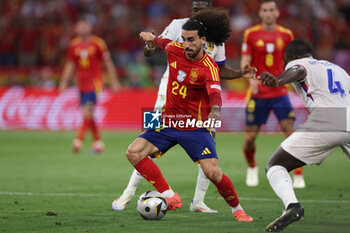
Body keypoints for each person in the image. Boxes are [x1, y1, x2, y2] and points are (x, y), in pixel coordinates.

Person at [112, 0, 255, 213]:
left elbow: (220, 69)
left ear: (210, 10)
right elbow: (152, 52)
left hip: (200, 101)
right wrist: (151, 44)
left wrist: (240, 72)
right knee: (147, 141)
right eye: (193, 8)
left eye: (200, 8)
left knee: (209, 149)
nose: (195, 12)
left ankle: (198, 201)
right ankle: (128, 193)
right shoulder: (178, 25)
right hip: (167, 93)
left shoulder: (215, 37)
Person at [258, 39, 350, 232]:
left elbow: (298, 70)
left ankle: (292, 206)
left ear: (291, 56)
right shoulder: (338, 69)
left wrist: (278, 80)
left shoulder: (298, 62)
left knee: (275, 165)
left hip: (329, 120)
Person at [240, 0, 305, 188]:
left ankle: (298, 173)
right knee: (250, 137)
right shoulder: (251, 34)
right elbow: (245, 60)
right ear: (260, 13)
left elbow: (293, 61)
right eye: (265, 10)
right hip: (257, 93)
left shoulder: (286, 34)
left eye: (271, 10)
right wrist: (250, 79)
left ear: (277, 13)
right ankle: (252, 166)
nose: (268, 13)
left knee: (290, 132)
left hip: (280, 91)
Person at [59, 19, 120, 153]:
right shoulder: (73, 45)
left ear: (90, 28)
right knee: (88, 114)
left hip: (95, 83)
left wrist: (114, 81)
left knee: (87, 110)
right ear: (76, 28)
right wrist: (64, 81)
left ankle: (78, 140)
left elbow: (108, 62)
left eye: (85, 25)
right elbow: (70, 64)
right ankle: (98, 143)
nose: (83, 27)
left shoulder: (98, 43)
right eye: (80, 25)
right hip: (81, 84)